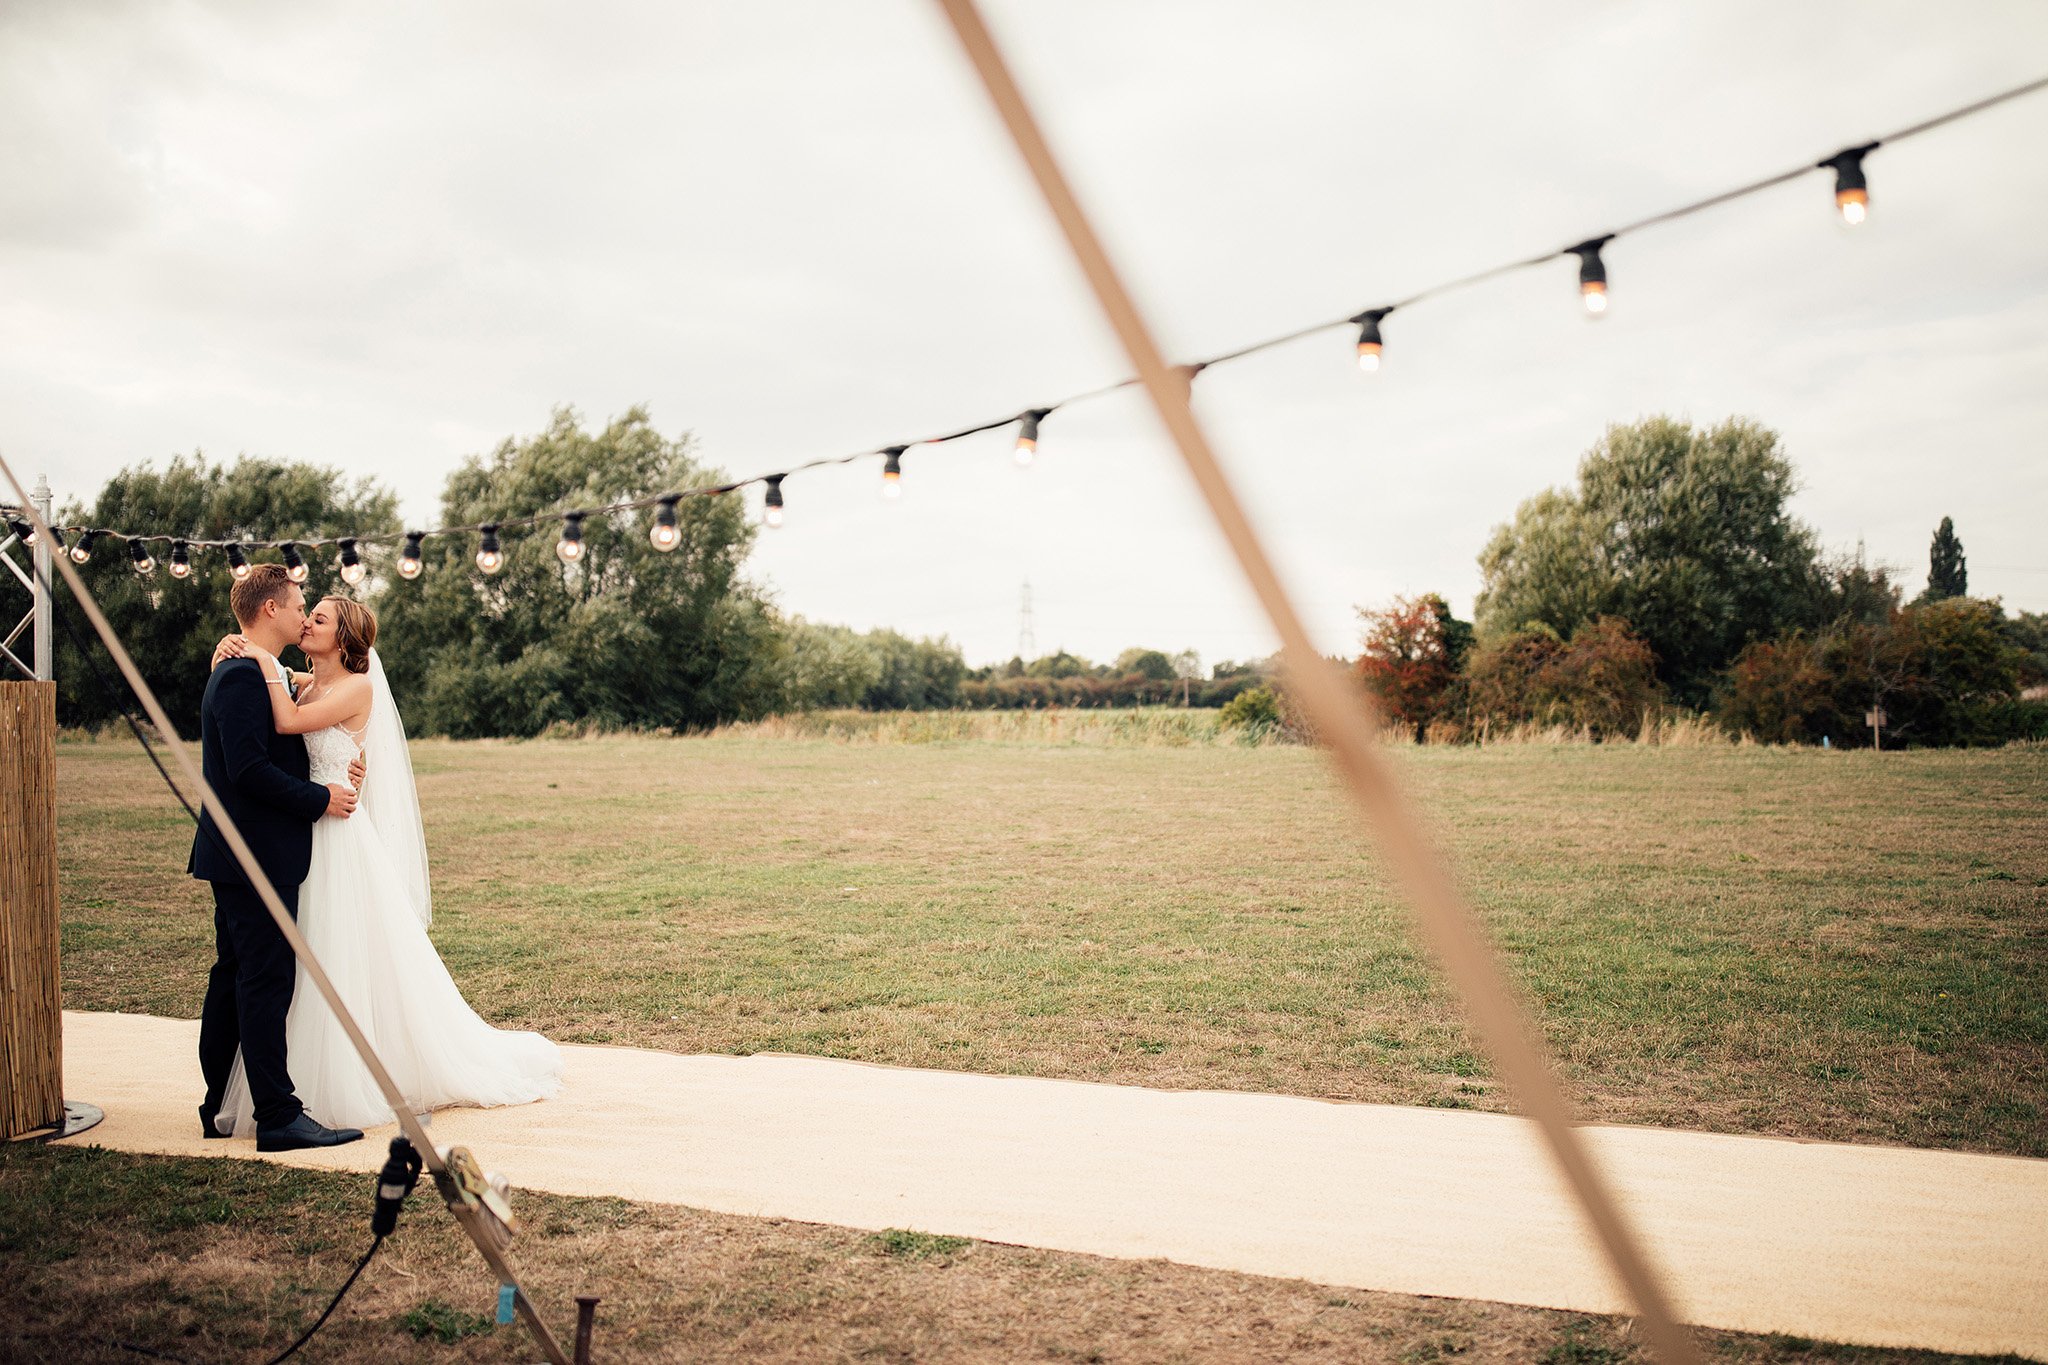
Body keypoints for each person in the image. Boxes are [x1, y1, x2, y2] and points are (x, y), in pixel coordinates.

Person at [209, 595, 561, 1136]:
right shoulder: (306, 681)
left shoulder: (354, 686)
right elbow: (286, 706)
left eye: (319, 618)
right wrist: (240, 654)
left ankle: (339, 1082)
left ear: (344, 637)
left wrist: (257, 658)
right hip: (305, 834)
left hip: (337, 835)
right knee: (298, 962)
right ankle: (290, 1085)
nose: (307, 621)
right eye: (306, 612)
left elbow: (289, 722)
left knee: (340, 954)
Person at [190, 564, 366, 1152]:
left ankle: (220, 1105)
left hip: (244, 851)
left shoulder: (255, 670)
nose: (302, 613)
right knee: (263, 980)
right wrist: (321, 797)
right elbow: (248, 770)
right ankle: (276, 1116)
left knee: (236, 975)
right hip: (253, 854)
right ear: (270, 610)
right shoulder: (243, 675)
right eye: (297, 606)